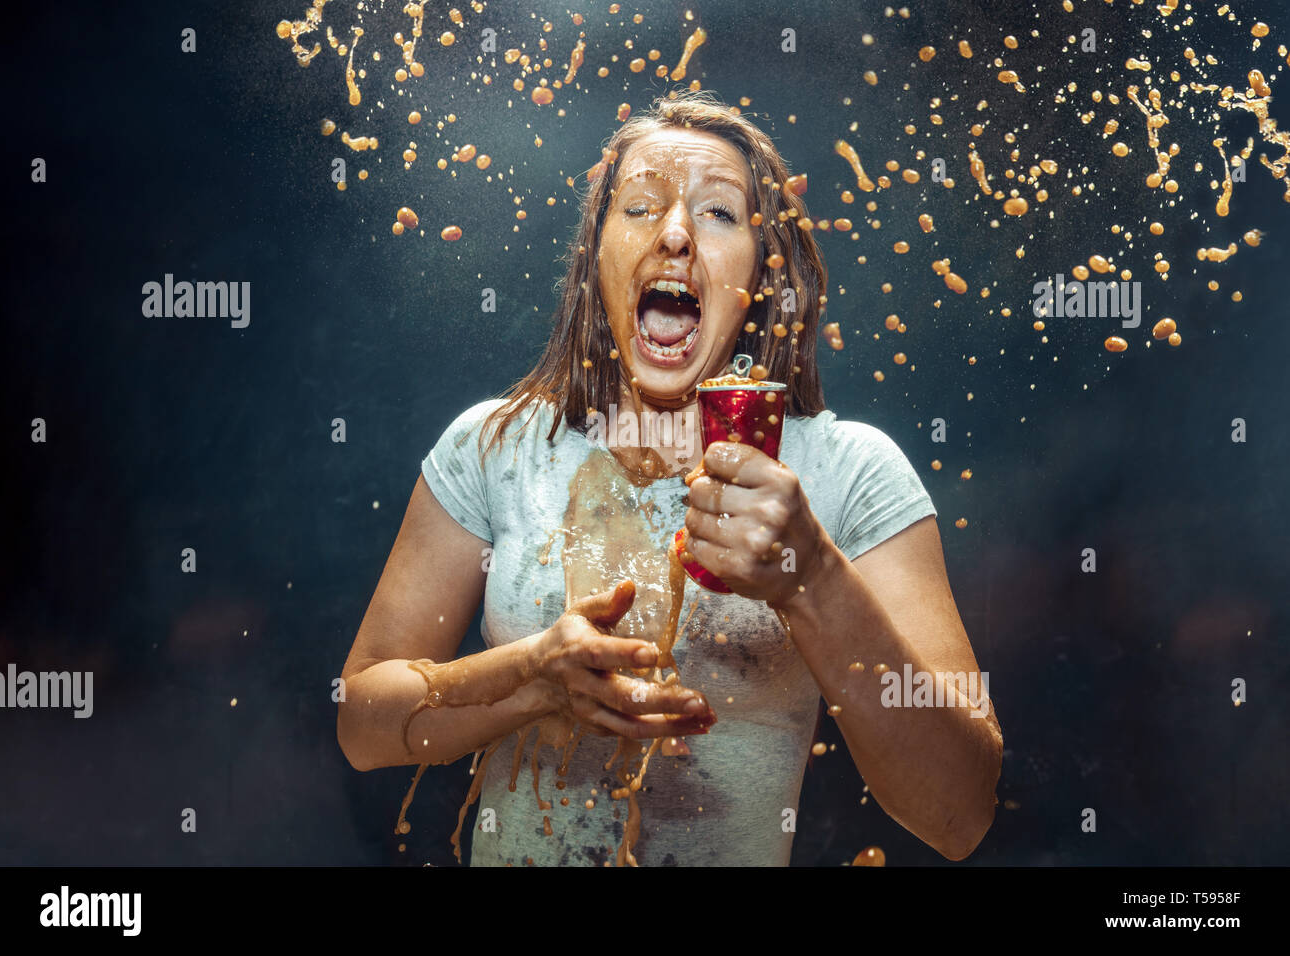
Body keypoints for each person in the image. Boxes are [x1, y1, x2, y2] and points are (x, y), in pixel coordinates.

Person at [337, 90, 1003, 866]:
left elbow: (961, 812)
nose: (677, 234)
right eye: (642, 207)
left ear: (763, 273)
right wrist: (536, 677)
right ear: (597, 254)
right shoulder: (496, 446)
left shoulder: (850, 472)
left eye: (720, 215)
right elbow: (361, 725)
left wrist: (810, 574)